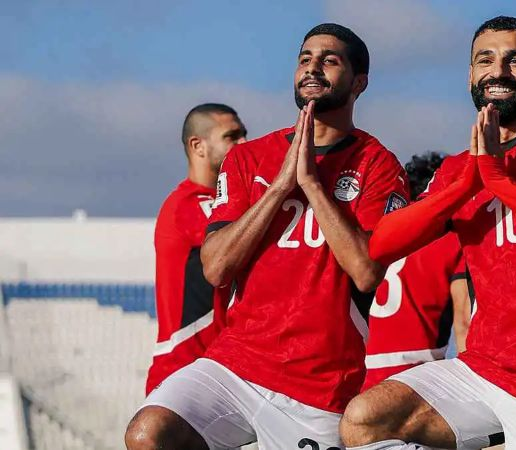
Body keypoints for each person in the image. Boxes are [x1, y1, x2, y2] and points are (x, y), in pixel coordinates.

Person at [340, 16, 516, 450]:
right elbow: (382, 244)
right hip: (482, 370)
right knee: (367, 419)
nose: (499, 72)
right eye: (485, 61)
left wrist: (499, 181)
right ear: (471, 76)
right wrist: (464, 185)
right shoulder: (460, 166)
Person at [125, 23, 408, 450]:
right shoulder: (248, 157)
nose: (312, 68)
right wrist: (279, 188)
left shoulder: (379, 164)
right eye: (305, 59)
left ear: (359, 83)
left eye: (329, 61)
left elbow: (367, 272)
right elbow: (216, 268)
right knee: (149, 433)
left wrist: (311, 184)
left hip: (320, 384)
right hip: (236, 363)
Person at [146, 103, 246, 395]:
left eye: (244, 134)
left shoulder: (227, 204)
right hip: (182, 373)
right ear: (197, 146)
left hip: (218, 371)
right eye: (231, 136)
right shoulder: (188, 205)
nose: (244, 143)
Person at [362, 152, 471, 391]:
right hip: (415, 377)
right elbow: (464, 323)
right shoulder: (454, 239)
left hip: (361, 373)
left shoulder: (379, 237)